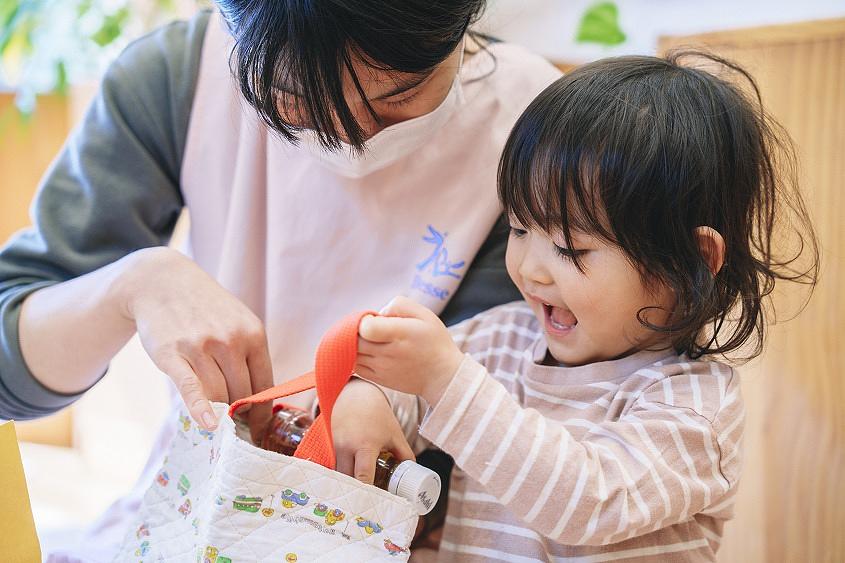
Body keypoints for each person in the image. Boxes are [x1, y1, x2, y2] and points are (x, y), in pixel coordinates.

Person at [0, 1, 561, 559]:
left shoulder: (536, 127)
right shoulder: (179, 75)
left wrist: (380, 403)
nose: (351, 137)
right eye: (297, 103)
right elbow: (11, 370)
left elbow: (534, 396)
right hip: (202, 519)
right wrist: (132, 286)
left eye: (396, 100)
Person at [336, 52, 819, 560]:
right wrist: (366, 395)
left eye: (571, 249)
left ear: (689, 264)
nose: (530, 269)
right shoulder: (498, 339)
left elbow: (587, 503)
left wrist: (446, 380)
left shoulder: (695, 410)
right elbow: (400, 385)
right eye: (520, 229)